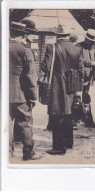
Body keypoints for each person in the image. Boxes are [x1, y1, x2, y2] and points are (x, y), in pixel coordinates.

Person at [41, 25, 83, 155]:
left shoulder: (52, 48)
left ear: (57, 35)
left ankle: (58, 148)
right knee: (68, 115)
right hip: (71, 87)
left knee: (56, 116)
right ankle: (69, 143)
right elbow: (80, 70)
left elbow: (45, 67)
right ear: (68, 35)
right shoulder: (77, 49)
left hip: (57, 87)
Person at [9, 22, 40, 160]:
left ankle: (7, 153)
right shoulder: (25, 50)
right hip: (21, 94)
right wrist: (33, 96)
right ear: (24, 34)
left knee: (6, 124)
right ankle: (28, 153)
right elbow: (30, 76)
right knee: (25, 124)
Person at [77, 29, 95, 128]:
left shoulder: (92, 49)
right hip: (79, 78)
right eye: (92, 41)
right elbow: (78, 60)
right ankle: (76, 121)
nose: (94, 43)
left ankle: (88, 120)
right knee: (77, 99)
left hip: (88, 78)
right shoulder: (78, 47)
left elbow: (94, 61)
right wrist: (91, 63)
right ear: (87, 39)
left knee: (86, 97)